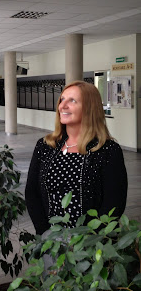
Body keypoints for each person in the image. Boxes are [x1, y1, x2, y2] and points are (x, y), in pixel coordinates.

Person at [25, 80, 128, 235]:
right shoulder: (45, 146)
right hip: (51, 242)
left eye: (72, 100)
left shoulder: (108, 150)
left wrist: (88, 242)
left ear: (89, 108)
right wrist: (45, 233)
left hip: (91, 246)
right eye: (62, 99)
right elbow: (32, 192)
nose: (63, 106)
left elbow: (114, 204)